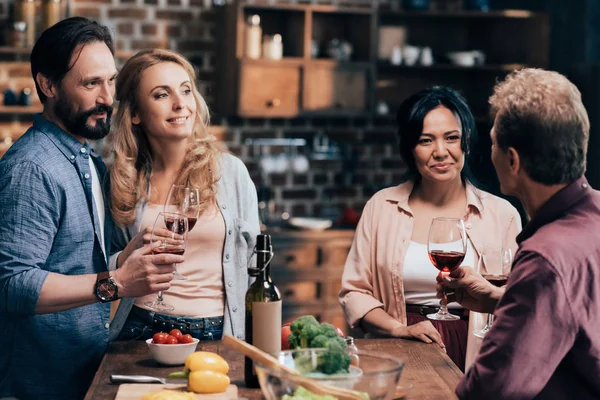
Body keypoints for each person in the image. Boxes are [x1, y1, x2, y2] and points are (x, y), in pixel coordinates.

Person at [0, 18, 181, 400]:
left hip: (81, 371)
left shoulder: (84, 157)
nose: (107, 98)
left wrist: (121, 261)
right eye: (90, 84)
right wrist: (115, 283)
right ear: (48, 85)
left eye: (110, 80)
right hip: (41, 383)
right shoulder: (32, 168)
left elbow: (68, 264)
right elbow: (12, 284)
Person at [438, 68, 600, 399]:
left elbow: (491, 389)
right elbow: (578, 316)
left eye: (494, 142)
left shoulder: (545, 258)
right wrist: (498, 299)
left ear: (512, 160)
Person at [339, 86, 521, 371]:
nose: (440, 152)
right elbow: (354, 293)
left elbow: (520, 298)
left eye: (451, 138)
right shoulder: (381, 207)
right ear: (410, 149)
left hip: (477, 353)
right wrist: (399, 329)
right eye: (426, 140)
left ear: (467, 142)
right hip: (396, 349)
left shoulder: (502, 214)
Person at [108, 49, 260, 342]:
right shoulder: (120, 178)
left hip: (215, 331)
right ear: (136, 113)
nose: (180, 104)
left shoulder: (230, 173)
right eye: (161, 95)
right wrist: (124, 258)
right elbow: (103, 264)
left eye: (186, 91)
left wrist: (253, 339)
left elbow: (256, 266)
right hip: (139, 328)